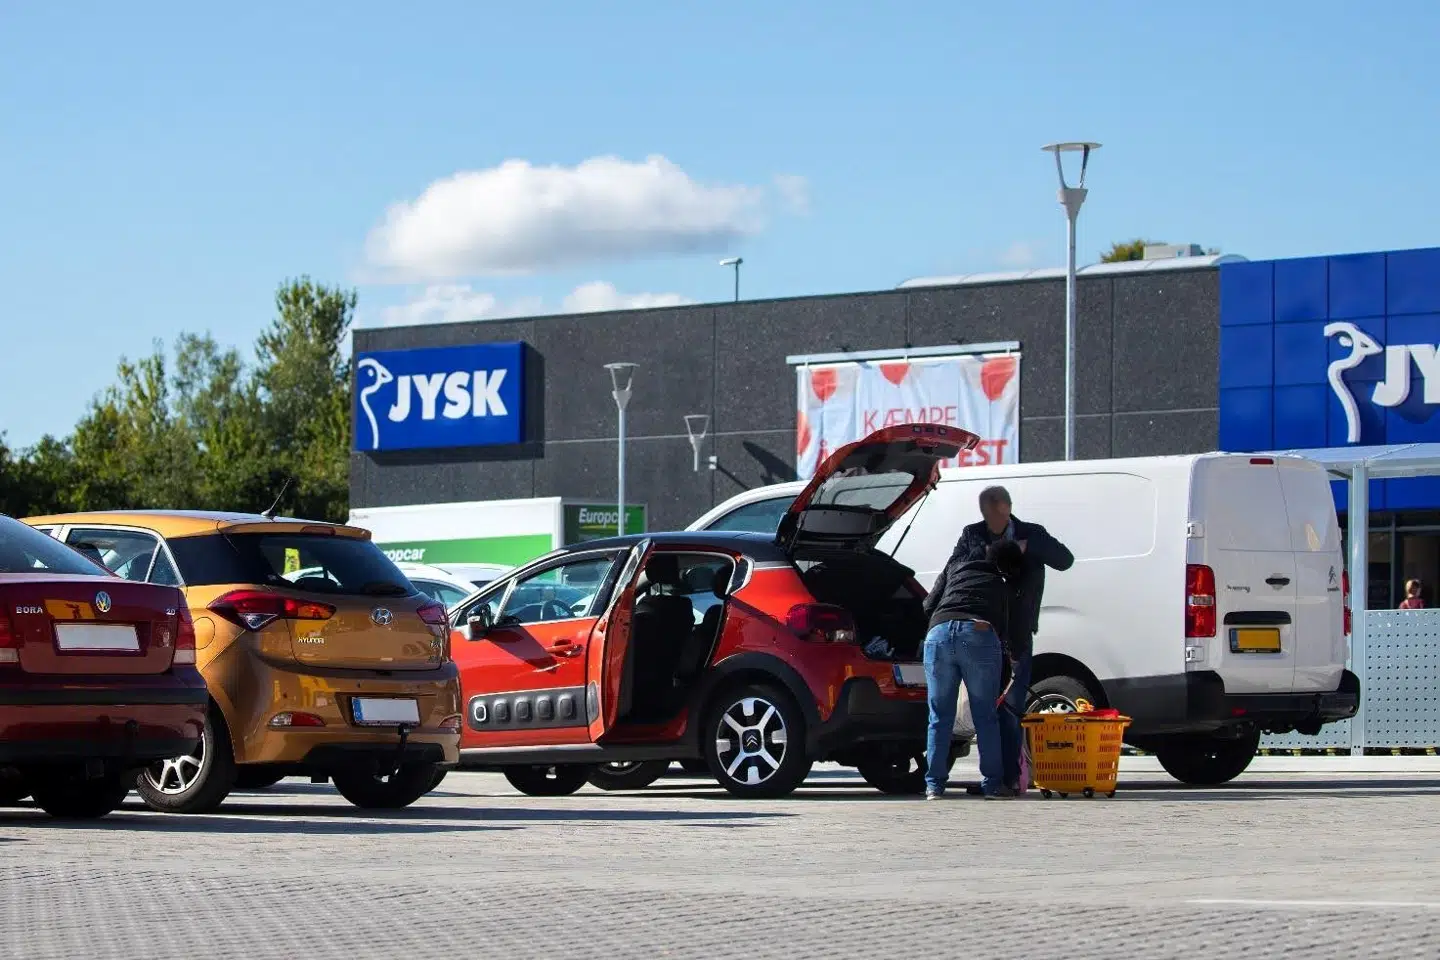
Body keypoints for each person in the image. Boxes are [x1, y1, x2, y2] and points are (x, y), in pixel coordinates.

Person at [957, 486, 1074, 793]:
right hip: (983, 630)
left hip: (1018, 632)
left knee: (1010, 707)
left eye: (995, 512)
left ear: (1008, 508)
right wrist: (991, 553)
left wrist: (1026, 547)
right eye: (986, 514)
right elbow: (957, 566)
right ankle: (992, 780)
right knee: (986, 708)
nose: (990, 520)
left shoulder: (1032, 533)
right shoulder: (973, 534)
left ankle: (1010, 779)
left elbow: (1065, 560)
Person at [919, 537, 1026, 800]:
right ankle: (992, 785)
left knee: (939, 717)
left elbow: (927, 605)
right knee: (985, 716)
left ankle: (934, 786)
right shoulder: (999, 585)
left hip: (939, 633)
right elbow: (1002, 628)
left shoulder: (955, 568)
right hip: (977, 632)